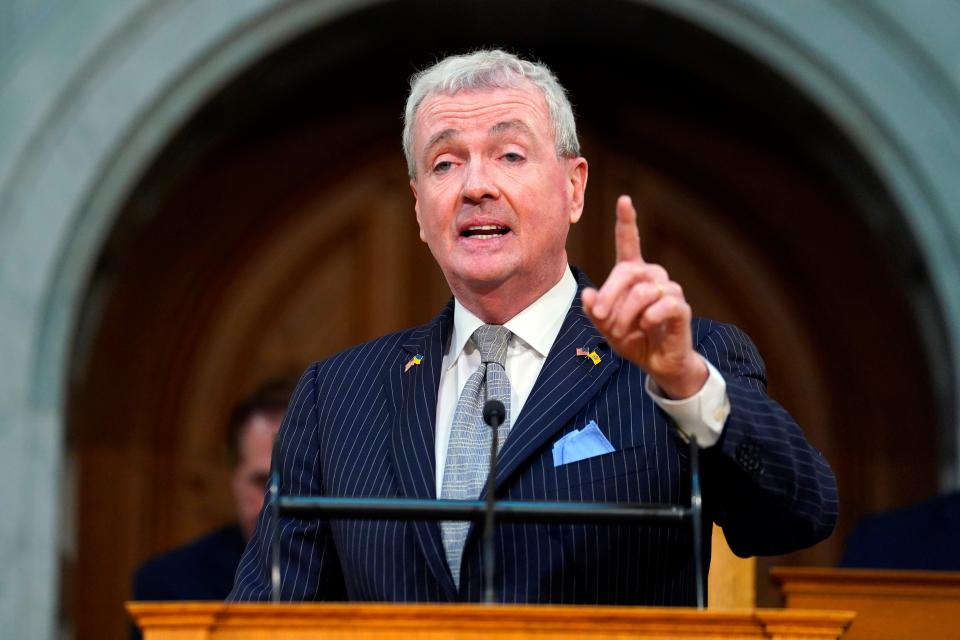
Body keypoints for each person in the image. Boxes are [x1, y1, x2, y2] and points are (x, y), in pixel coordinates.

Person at [229, 49, 837, 606]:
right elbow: (265, 613)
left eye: (510, 155)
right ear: (418, 207)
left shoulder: (685, 360)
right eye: (445, 163)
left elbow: (796, 516)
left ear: (574, 188)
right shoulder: (336, 397)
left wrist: (684, 381)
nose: (476, 187)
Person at [131, 380, 293, 635]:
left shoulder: (358, 576)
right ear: (234, 478)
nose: (276, 500)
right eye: (261, 481)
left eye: (295, 481)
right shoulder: (171, 585)